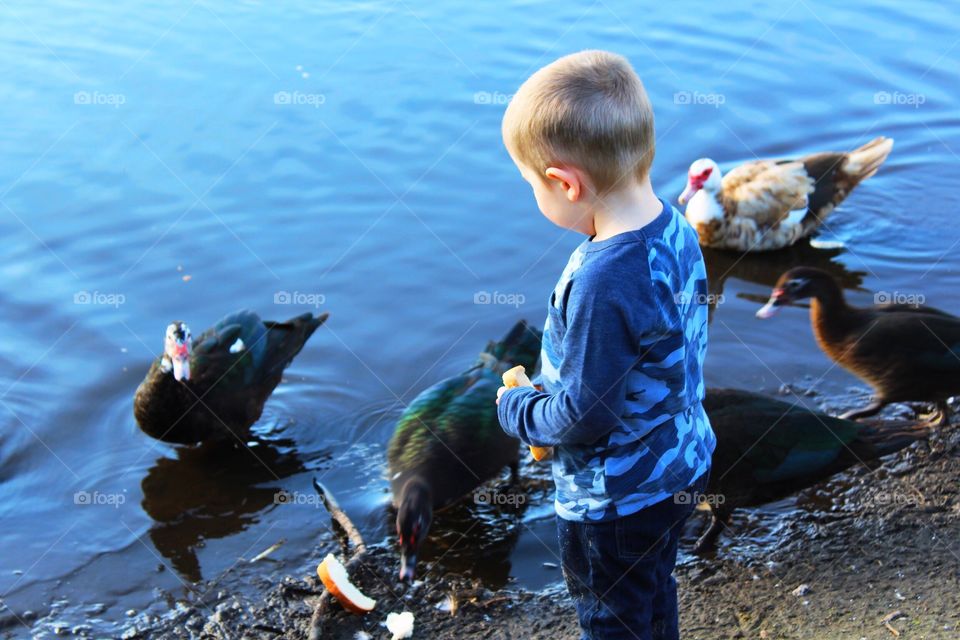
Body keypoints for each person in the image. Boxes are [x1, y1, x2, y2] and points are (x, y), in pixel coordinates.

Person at [495, 50, 716, 640]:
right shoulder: (673, 223)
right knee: (651, 594)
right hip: (680, 462)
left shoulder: (603, 279)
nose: (532, 197)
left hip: (617, 497)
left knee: (612, 619)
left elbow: (586, 415)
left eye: (530, 185)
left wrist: (517, 410)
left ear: (565, 183)